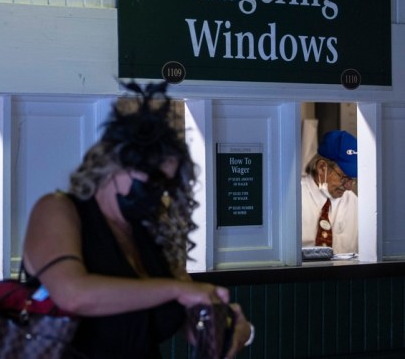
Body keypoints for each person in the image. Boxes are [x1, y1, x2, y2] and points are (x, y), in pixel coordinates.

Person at [22, 82, 253, 358]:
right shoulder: (59, 210)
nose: (158, 193)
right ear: (114, 165)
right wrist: (177, 290)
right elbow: (73, 294)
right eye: (151, 178)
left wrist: (227, 327)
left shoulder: (151, 233)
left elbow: (189, 326)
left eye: (165, 184)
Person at [301, 130, 358, 254]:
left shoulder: (353, 203)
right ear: (322, 168)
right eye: (344, 177)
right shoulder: (295, 200)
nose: (349, 187)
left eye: (353, 179)